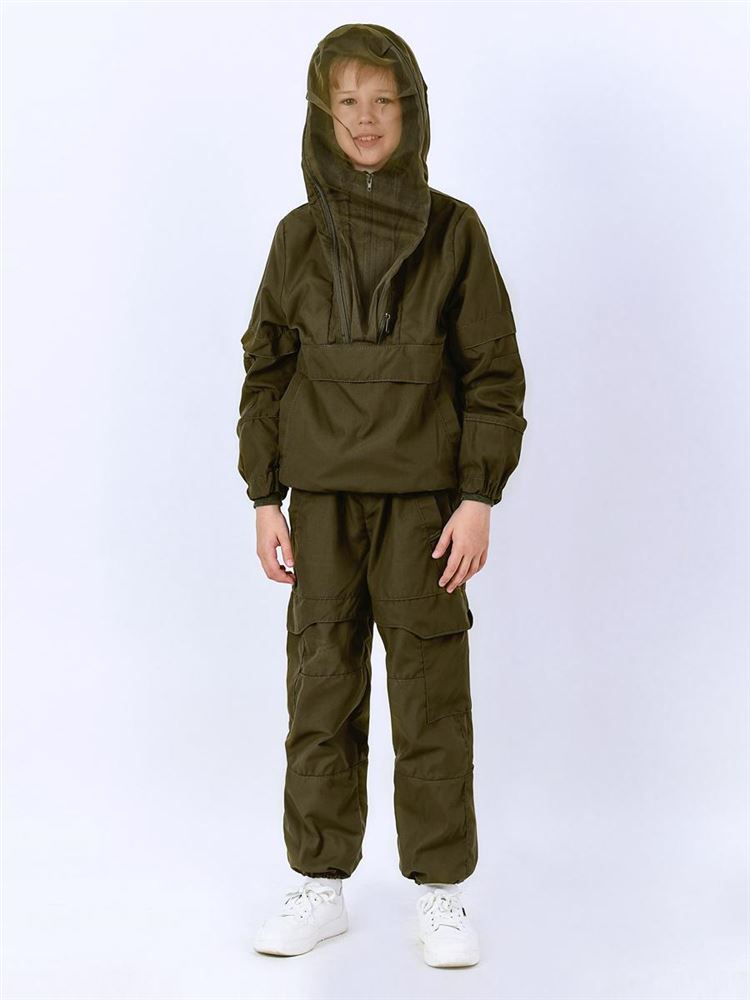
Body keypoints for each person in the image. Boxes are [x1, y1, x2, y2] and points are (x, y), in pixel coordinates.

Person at [236, 23, 527, 968]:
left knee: (431, 696)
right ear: (322, 115)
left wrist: (478, 496)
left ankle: (441, 894)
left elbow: (493, 374)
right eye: (347, 102)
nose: (365, 120)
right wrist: (264, 497)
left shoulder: (455, 230)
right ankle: (320, 884)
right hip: (321, 503)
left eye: (383, 101)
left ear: (412, 111)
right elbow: (267, 369)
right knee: (321, 690)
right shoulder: (296, 236)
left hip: (425, 509)